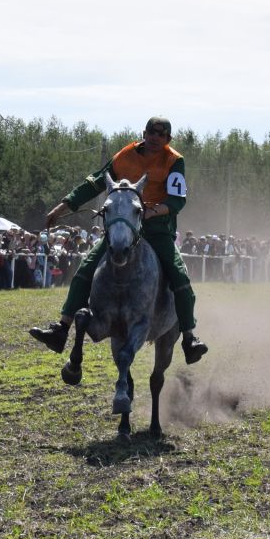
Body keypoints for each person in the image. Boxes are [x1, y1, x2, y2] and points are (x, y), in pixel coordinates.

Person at [29, 116, 207, 364]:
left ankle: (189, 337)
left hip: (157, 230)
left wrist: (152, 211)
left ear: (168, 139)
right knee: (86, 269)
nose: (156, 138)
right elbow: (95, 183)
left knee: (180, 277)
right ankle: (61, 329)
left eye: (161, 135)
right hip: (124, 227)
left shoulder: (175, 161)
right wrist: (62, 207)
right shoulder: (125, 156)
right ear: (144, 133)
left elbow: (178, 201)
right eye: (152, 133)